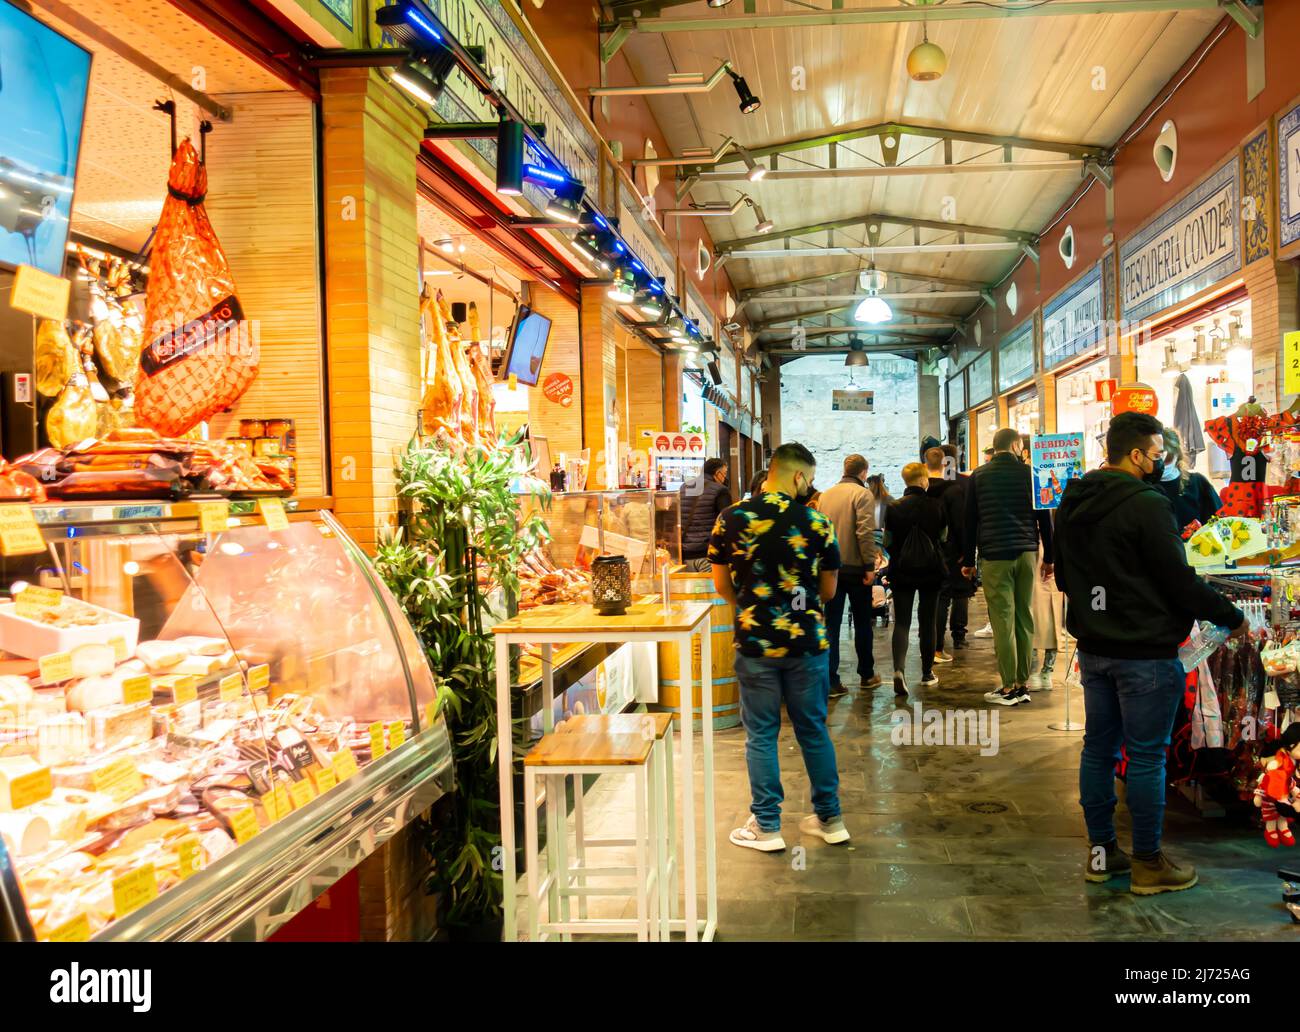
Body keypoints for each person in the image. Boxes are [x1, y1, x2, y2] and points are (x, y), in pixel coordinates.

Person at [1054, 410, 1247, 894]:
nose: (1162, 462)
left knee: (1097, 751)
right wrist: (1229, 613)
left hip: (1094, 649)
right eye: (1158, 454)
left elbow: (1064, 576)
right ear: (1137, 454)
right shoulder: (1146, 504)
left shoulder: (1074, 499)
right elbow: (1177, 579)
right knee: (1145, 758)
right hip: (1145, 652)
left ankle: (1102, 857)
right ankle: (1147, 863)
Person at [709, 442, 849, 851]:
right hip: (808, 644)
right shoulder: (817, 523)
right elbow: (827, 589)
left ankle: (767, 826)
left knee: (762, 733)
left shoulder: (730, 519)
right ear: (799, 477)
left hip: (756, 644)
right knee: (813, 730)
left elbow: (721, 585)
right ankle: (831, 819)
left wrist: (756, 607)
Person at [962, 427, 1053, 706]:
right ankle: (1023, 683)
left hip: (995, 554)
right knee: (1024, 616)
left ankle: (1008, 686)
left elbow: (970, 521)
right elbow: (1044, 518)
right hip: (1027, 552)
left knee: (1003, 620)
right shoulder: (1031, 473)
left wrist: (968, 561)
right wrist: (1049, 557)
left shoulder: (979, 475)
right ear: (1015, 446)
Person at [818, 454, 880, 696]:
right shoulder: (862, 494)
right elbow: (864, 532)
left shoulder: (825, 495)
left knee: (831, 625)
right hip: (856, 569)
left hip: (830, 569)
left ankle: (831, 681)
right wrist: (869, 566)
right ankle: (866, 674)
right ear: (864, 472)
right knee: (863, 622)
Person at [884, 462, 948, 696]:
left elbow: (887, 542)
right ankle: (926, 672)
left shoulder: (893, 507)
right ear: (924, 481)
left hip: (902, 570)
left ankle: (899, 670)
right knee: (927, 620)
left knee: (901, 621)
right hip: (931, 570)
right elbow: (943, 536)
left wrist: (900, 555)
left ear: (905, 481)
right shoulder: (936, 505)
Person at [925, 444, 971, 660]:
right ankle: (956, 637)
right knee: (958, 592)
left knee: (937, 596)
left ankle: (935, 645)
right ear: (947, 462)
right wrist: (967, 551)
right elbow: (961, 523)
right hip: (952, 549)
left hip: (928, 551)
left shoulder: (922, 489)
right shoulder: (957, 487)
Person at [1154, 426, 1221, 535]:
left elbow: (1219, 519)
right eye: (1157, 458)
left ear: (1177, 454)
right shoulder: (1148, 488)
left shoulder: (1198, 483)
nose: (1162, 465)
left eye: (1168, 458)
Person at [680, 457, 731, 571]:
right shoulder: (720, 490)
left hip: (685, 555)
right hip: (707, 555)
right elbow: (727, 521)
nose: (725, 478)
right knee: (710, 588)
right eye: (725, 473)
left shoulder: (685, 487)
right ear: (717, 473)